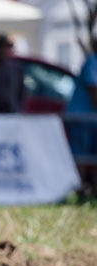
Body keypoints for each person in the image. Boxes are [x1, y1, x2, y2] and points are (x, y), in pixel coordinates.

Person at [66, 37, 97, 194]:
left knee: (91, 157)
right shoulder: (92, 61)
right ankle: (79, 191)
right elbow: (94, 91)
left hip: (91, 118)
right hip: (81, 117)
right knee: (80, 157)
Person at [0, 34, 24, 113]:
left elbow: (21, 92)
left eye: (4, 48)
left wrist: (19, 109)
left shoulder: (16, 69)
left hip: (10, 111)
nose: (2, 51)